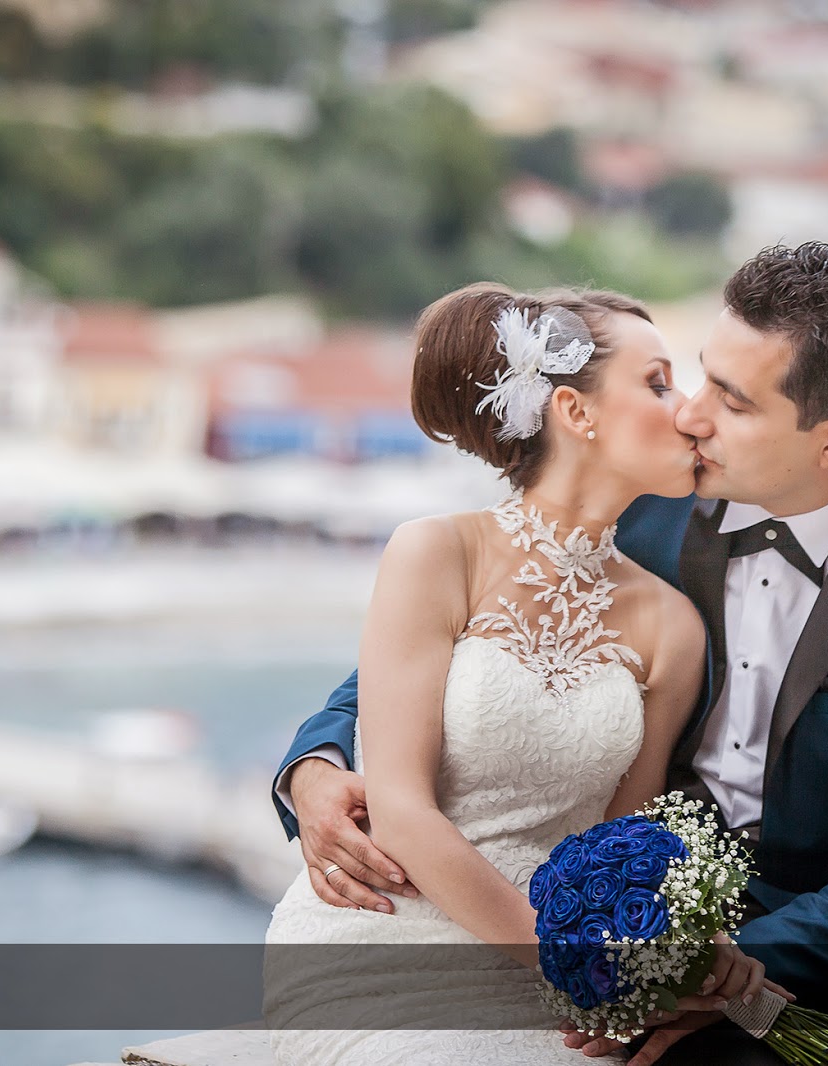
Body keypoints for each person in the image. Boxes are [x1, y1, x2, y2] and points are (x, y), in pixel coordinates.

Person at [275, 243, 828, 1066]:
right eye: (696, 378)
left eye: (732, 401)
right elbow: (437, 664)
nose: (692, 417)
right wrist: (315, 766)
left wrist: (716, 970)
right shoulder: (636, 498)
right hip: (605, 927)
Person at [264, 283, 777, 1066]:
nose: (685, 411)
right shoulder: (437, 553)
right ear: (575, 411)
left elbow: (619, 843)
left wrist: (677, 947)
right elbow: (399, 808)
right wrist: (567, 965)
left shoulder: (673, 625)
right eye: (657, 382)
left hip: (554, 973)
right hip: (384, 937)